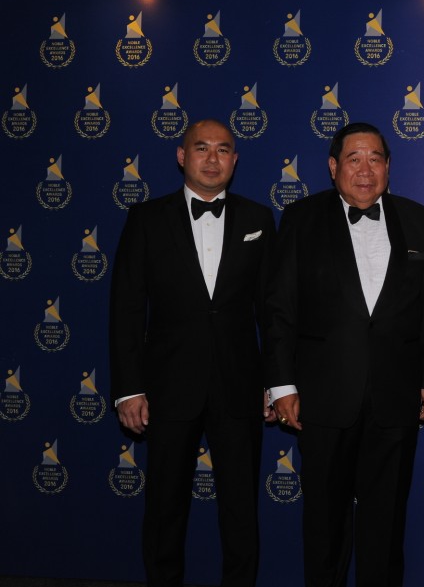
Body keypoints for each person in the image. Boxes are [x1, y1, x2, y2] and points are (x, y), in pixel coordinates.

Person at [264, 122, 424, 587]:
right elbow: (280, 309)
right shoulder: (301, 219)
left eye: (375, 159)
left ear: (388, 166)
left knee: (386, 523)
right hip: (323, 399)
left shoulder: (419, 220)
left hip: (395, 395)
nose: (365, 171)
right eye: (353, 159)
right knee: (324, 522)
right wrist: (282, 385)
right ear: (333, 167)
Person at [109, 119, 277, 587]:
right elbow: (125, 309)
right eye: (201, 148)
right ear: (182, 156)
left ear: (235, 160)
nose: (212, 158)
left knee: (242, 513)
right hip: (166, 388)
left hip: (240, 387)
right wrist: (128, 388)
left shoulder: (258, 219)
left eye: (223, 149)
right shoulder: (145, 218)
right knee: (164, 510)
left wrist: (276, 382)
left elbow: (272, 311)